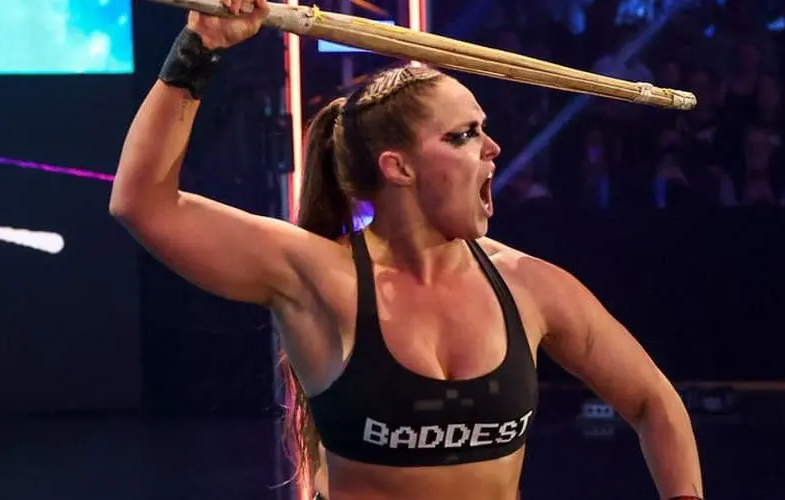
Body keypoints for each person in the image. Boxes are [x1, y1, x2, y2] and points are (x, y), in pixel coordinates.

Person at [109, 1, 704, 499]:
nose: (493, 148)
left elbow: (653, 401)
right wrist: (201, 45)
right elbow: (143, 204)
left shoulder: (529, 285)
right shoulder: (320, 276)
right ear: (398, 168)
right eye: (464, 135)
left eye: (482, 128)